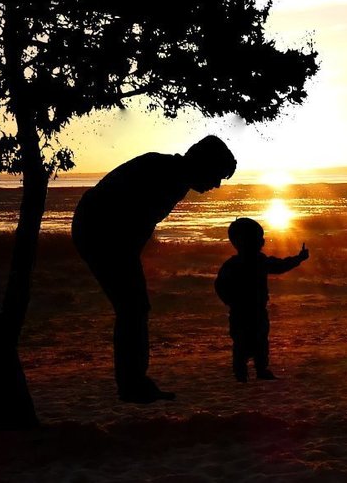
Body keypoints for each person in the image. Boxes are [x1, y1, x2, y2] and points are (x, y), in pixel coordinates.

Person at [71, 135, 237, 403]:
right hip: (99, 230)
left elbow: (138, 223)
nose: (216, 185)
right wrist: (131, 255)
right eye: (216, 176)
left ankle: (134, 382)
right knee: (133, 308)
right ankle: (132, 384)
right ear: (203, 164)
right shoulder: (167, 175)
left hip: (100, 229)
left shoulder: (173, 175)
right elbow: (131, 216)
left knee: (134, 308)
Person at [214, 217, 310, 382]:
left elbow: (279, 265)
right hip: (244, 310)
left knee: (256, 341)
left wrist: (298, 259)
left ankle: (255, 370)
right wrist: (299, 259)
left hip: (250, 310)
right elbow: (221, 286)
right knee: (244, 342)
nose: (262, 241)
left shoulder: (243, 262)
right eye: (258, 238)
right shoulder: (253, 262)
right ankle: (245, 372)